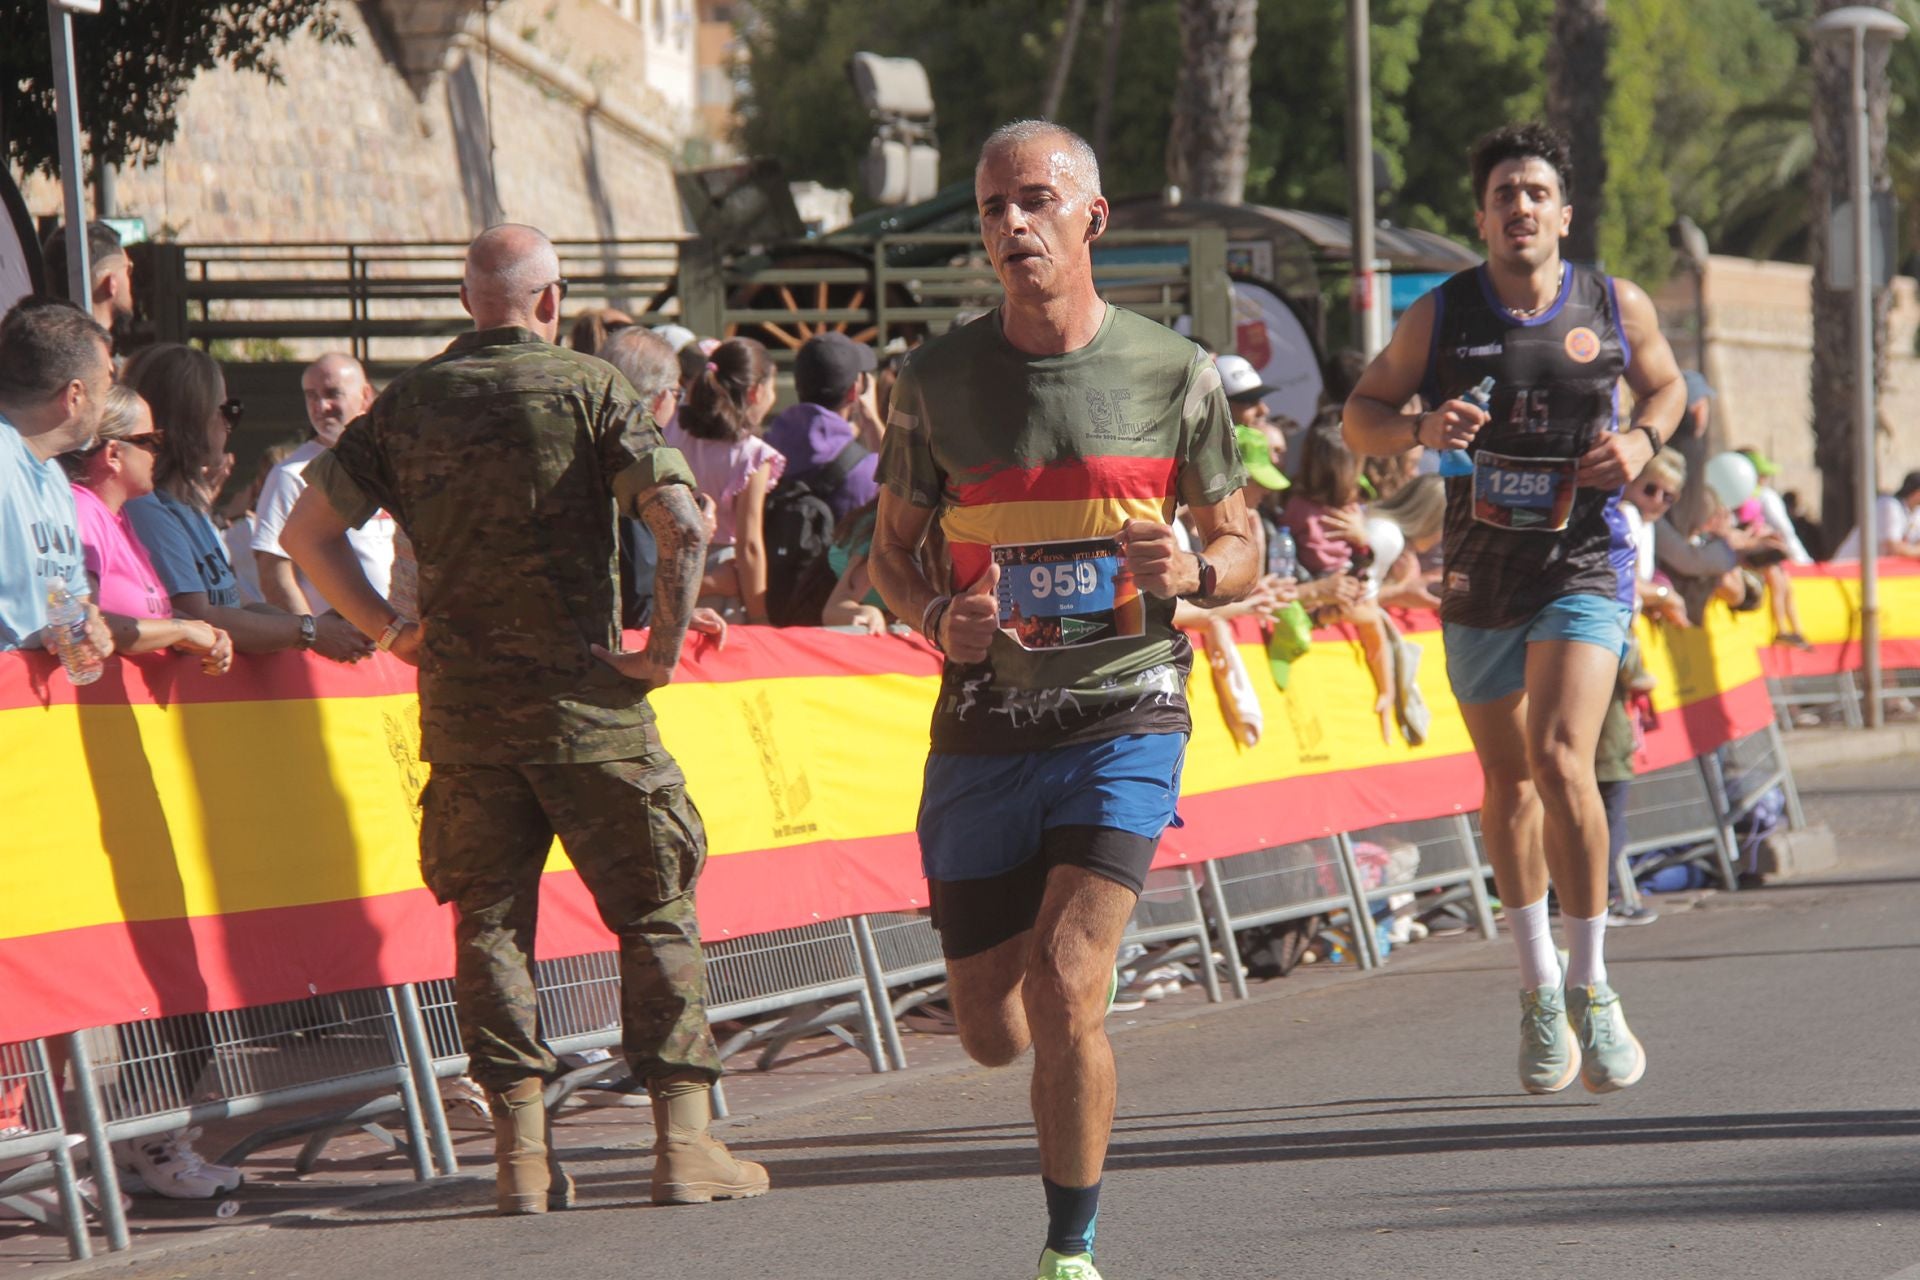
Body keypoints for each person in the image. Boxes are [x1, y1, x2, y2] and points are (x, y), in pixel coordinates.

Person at [280, 222, 767, 1217]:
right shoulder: (592, 390)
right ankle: (684, 1143)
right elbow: (682, 520)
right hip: (588, 705)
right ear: (551, 300)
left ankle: (523, 1161)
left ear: (469, 302)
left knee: (491, 925)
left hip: (462, 714)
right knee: (654, 908)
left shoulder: (406, 406)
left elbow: (304, 532)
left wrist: (392, 631)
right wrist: (659, 653)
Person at [869, 121, 1253, 1280]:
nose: (1011, 225)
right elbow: (890, 555)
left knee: (1070, 979)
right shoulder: (933, 382)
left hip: (1125, 708)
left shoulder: (1173, 371)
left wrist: (1193, 575)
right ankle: (1044, 1049)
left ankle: (1069, 1249)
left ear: (1091, 218)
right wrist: (938, 619)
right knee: (992, 1026)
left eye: (1035, 200)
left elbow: (1240, 540)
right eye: (991, 208)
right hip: (986, 721)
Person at [1344, 122, 1686, 1096]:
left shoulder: (1614, 303)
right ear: (1483, 214)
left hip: (1584, 558)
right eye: (1504, 193)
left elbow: (1666, 385)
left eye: (1537, 191)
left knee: (1561, 755)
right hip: (1481, 567)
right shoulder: (1441, 315)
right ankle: (1536, 986)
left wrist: (1646, 441)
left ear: (1564, 213)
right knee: (1508, 781)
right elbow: (1358, 415)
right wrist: (1417, 424)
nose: (1521, 206)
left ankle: (1593, 981)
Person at [120, 344, 371, 662]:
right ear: (193, 421)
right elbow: (204, 617)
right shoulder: (148, 509)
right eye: (226, 411)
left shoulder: (188, 507)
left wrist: (316, 628)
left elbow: (240, 602)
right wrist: (310, 632)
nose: (229, 425)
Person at [62, 384, 233, 672]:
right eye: (151, 440)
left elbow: (149, 612)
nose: (158, 452)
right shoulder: (85, 511)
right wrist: (181, 630)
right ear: (114, 454)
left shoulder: (119, 517)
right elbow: (87, 622)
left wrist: (204, 630)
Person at [0, 298, 114, 658]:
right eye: (106, 386)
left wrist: (86, 627)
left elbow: (72, 599)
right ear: (75, 395)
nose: (106, 404)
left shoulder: (54, 478)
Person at [252, 354, 396, 616]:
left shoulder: (394, 461)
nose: (321, 406)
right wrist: (314, 639)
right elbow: (273, 570)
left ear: (365, 395)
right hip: (342, 648)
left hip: (401, 639)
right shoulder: (291, 473)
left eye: (333, 393)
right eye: (311, 395)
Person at [666, 336, 785, 624]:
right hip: (723, 574)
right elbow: (749, 546)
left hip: (671, 563)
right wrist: (760, 618)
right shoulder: (752, 457)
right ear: (756, 392)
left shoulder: (675, 431)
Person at [763, 332, 883, 523]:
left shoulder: (765, 453)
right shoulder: (866, 470)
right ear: (854, 392)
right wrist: (872, 420)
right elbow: (899, 490)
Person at [41, 222, 135, 342]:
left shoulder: (43, 347)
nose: (129, 280)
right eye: (128, 270)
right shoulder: (92, 357)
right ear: (112, 283)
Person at [1831, 470, 1920, 561]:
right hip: (1850, 567)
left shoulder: (1915, 511)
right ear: (1917, 492)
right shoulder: (1889, 505)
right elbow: (1894, 548)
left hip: (1877, 569)